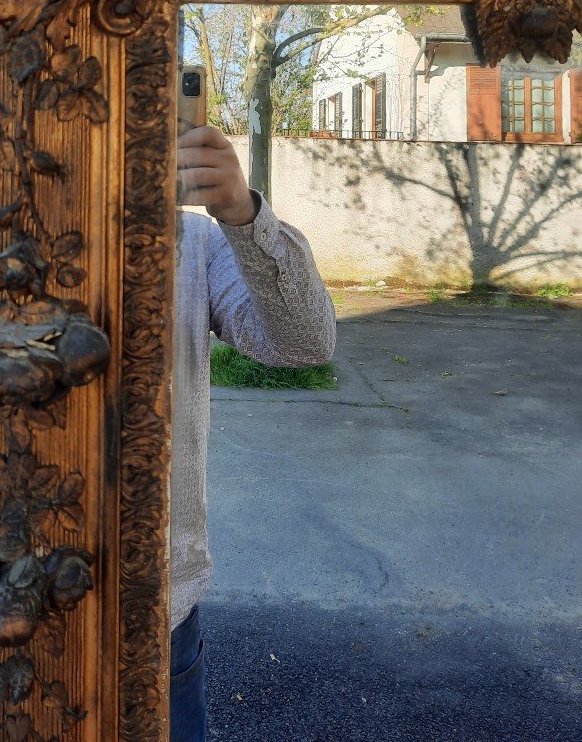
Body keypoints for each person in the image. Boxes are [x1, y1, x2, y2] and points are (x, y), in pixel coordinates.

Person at [171, 125, 337, 742]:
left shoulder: (195, 243)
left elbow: (304, 344)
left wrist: (242, 213)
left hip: (163, 602)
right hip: (18, 602)